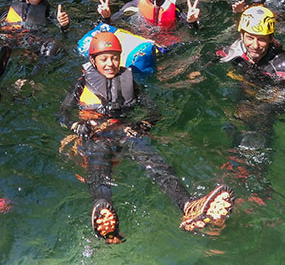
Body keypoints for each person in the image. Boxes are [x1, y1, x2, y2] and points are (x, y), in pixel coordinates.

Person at [59, 32, 233, 243]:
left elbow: (154, 111)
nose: (110, 63)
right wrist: (76, 125)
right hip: (96, 134)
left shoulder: (130, 83)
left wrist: (143, 124)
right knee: (98, 164)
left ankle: (188, 206)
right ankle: (104, 212)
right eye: (104, 58)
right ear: (93, 60)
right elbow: (63, 114)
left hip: (125, 131)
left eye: (114, 57)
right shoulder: (81, 84)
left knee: (154, 161)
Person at [217, 6, 285, 142]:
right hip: (251, 85)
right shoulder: (237, 48)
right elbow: (214, 56)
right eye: (250, 38)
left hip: (275, 95)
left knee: (259, 116)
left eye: (262, 39)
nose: (255, 45)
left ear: (271, 38)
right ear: (242, 36)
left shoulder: (283, 65)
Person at [0, 0, 70, 99]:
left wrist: (64, 25)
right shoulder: (8, 12)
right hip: (12, 42)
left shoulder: (49, 15)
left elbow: (63, 31)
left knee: (53, 45)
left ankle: (31, 80)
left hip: (33, 45)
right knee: (1, 47)